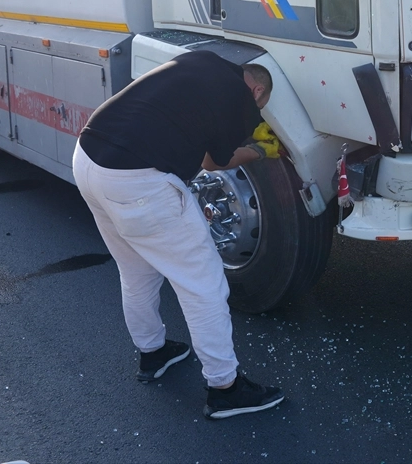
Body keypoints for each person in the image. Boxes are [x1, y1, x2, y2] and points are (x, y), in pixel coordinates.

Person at [72, 50, 283, 419]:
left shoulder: (203, 60)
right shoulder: (241, 97)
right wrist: (256, 151)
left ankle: (153, 353)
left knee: (136, 271)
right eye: (262, 104)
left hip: (88, 159)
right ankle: (225, 389)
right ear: (258, 92)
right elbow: (212, 163)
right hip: (137, 182)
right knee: (204, 286)